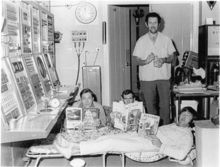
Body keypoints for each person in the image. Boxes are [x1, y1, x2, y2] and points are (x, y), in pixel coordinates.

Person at [54, 106, 197, 161]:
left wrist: (161, 146)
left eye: (187, 117)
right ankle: (75, 145)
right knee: (108, 136)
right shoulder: (173, 125)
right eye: (182, 114)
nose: (183, 117)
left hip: (151, 144)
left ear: (192, 121)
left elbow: (181, 154)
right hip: (144, 135)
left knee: (111, 143)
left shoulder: (187, 135)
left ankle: (72, 150)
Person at [133, 12, 176, 125]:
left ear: (159, 24)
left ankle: (166, 129)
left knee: (165, 106)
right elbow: (135, 60)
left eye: (155, 23)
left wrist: (164, 60)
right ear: (146, 24)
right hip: (147, 79)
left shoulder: (166, 40)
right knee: (150, 107)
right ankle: (152, 131)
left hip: (164, 78)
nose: (153, 25)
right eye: (150, 23)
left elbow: (173, 57)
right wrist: (145, 61)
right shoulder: (141, 41)